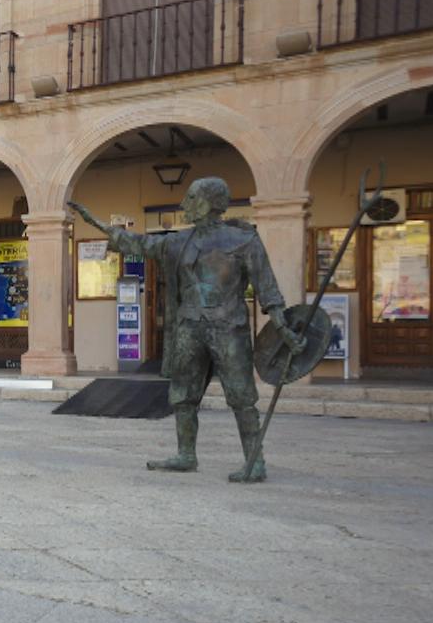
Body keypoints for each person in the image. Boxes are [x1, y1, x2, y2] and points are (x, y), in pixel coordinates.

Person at [68, 179, 303, 483]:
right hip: (188, 328)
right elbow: (140, 243)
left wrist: (282, 324)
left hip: (229, 328)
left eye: (190, 198)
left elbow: (267, 286)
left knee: (241, 396)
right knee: (182, 394)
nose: (184, 204)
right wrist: (96, 223)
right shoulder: (179, 241)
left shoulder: (243, 240)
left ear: (206, 203)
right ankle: (186, 455)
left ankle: (254, 461)